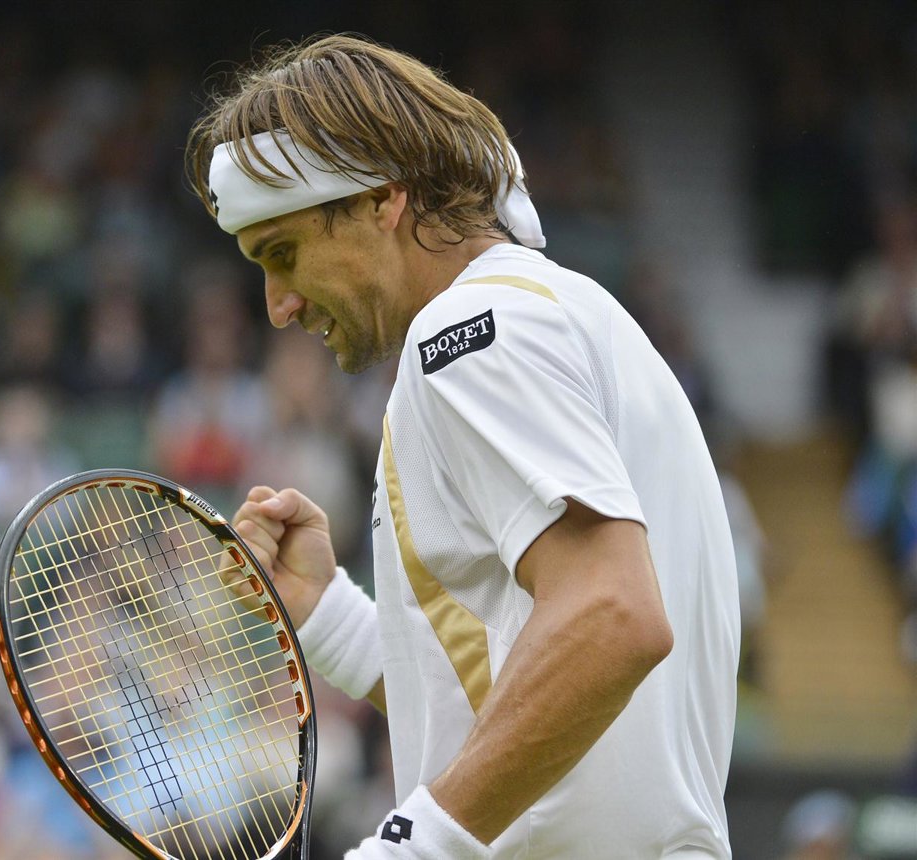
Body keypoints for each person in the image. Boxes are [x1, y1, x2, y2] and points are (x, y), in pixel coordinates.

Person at [185, 35, 740, 859]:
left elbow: (611, 615)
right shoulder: (559, 311)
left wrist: (409, 849)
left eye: (284, 254)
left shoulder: (467, 338)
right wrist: (328, 615)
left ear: (381, 201)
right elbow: (524, 692)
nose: (278, 305)